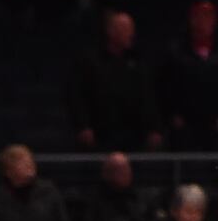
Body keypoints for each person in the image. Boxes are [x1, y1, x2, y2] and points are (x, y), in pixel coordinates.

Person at [69, 9, 162, 151]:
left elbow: (147, 97)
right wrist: (83, 125)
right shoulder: (90, 61)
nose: (131, 34)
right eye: (126, 29)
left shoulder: (137, 62)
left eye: (132, 29)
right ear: (111, 32)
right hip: (101, 134)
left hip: (133, 135)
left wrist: (154, 128)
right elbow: (77, 96)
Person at [162, 0, 218, 145]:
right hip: (185, 126)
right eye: (199, 16)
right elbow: (165, 86)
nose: (203, 21)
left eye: (208, 16)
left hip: (215, 125)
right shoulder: (176, 52)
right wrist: (173, 115)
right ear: (192, 19)